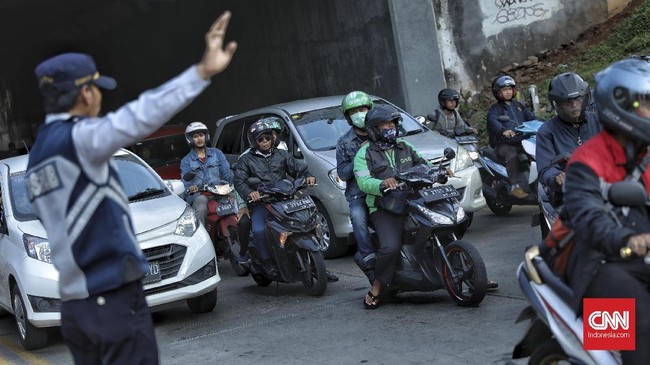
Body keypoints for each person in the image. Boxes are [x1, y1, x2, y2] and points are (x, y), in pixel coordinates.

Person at [25, 11, 236, 364]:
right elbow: (139, 115)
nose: (100, 100)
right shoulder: (81, 139)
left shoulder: (37, 159)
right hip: (112, 300)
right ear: (84, 93)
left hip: (77, 308)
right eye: (96, 89)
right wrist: (202, 72)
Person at [564, 58, 650, 364]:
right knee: (640, 322)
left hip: (643, 256)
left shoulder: (646, 152)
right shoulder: (585, 161)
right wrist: (627, 238)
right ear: (621, 104)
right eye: (647, 103)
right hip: (600, 260)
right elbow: (588, 215)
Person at [353, 105, 430, 309]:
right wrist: (381, 184)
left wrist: (439, 171)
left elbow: (424, 164)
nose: (391, 127)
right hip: (384, 205)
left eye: (393, 123)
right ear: (374, 128)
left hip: (413, 198)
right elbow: (363, 181)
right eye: (385, 124)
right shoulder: (364, 153)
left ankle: (469, 270)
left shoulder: (405, 146)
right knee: (390, 247)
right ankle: (377, 286)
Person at [233, 118, 317, 278]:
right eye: (260, 139)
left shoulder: (283, 155)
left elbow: (299, 168)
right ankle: (267, 262)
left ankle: (317, 265)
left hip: (285, 201)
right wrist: (250, 193)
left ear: (272, 139)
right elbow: (239, 181)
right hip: (262, 204)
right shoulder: (246, 160)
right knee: (258, 230)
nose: (265, 142)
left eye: (267, 138)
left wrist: (308, 176)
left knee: (307, 222)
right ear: (254, 141)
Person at [536, 72, 601, 206]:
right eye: (567, 102)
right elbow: (546, 168)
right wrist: (557, 177)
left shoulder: (600, 121)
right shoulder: (547, 132)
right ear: (557, 104)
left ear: (585, 98)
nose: (574, 105)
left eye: (577, 99)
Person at [336, 91, 375, 282]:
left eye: (362, 109)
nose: (359, 114)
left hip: (383, 188)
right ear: (348, 117)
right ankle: (368, 259)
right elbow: (342, 173)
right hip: (359, 194)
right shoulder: (344, 142)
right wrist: (360, 154)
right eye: (354, 112)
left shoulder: (380, 132)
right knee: (358, 218)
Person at [486, 75, 537, 199]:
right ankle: (514, 186)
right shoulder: (495, 110)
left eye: (510, 89)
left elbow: (532, 118)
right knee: (511, 155)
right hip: (505, 144)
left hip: (522, 141)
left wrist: (544, 125)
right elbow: (493, 122)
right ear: (498, 93)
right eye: (504, 90)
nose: (508, 92)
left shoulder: (518, 106)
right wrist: (503, 130)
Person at [180, 121, 234, 226]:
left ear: (206, 136)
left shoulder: (217, 153)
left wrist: (234, 179)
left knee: (236, 201)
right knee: (201, 209)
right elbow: (185, 182)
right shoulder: (186, 161)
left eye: (201, 135)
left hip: (219, 190)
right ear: (190, 139)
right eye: (195, 136)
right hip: (200, 194)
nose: (199, 138)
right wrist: (191, 187)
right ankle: (203, 238)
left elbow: (227, 171)